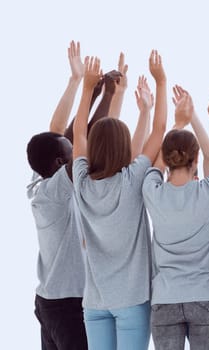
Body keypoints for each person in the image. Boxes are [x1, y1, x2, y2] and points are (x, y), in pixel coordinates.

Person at [71, 50, 167, 350]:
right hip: (132, 301)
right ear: (126, 148)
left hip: (95, 302)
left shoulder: (82, 182)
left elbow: (78, 134)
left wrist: (87, 88)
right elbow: (160, 131)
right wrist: (161, 82)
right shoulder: (133, 179)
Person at [142, 88, 209, 350]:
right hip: (208, 297)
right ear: (196, 160)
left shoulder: (152, 191)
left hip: (166, 299)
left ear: (168, 160)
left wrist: (179, 122)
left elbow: (155, 166)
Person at [26, 40, 92, 350]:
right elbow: (77, 142)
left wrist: (76, 81)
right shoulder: (54, 190)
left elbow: (57, 134)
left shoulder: (40, 180)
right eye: (69, 157)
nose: (76, 159)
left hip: (50, 301)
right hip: (67, 305)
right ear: (59, 163)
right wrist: (93, 91)